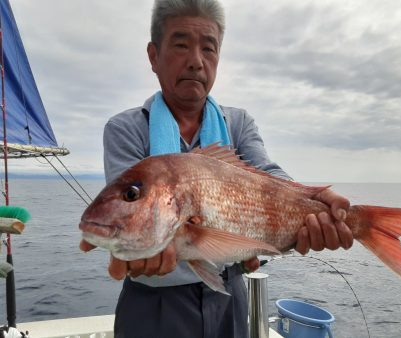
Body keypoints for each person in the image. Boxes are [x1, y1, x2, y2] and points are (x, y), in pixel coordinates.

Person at [80, 0, 353, 337]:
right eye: (181, 45)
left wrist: (316, 204)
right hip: (153, 305)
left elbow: (271, 177)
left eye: (208, 48)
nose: (196, 61)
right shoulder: (126, 128)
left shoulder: (238, 123)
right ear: (154, 55)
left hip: (229, 298)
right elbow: (140, 230)